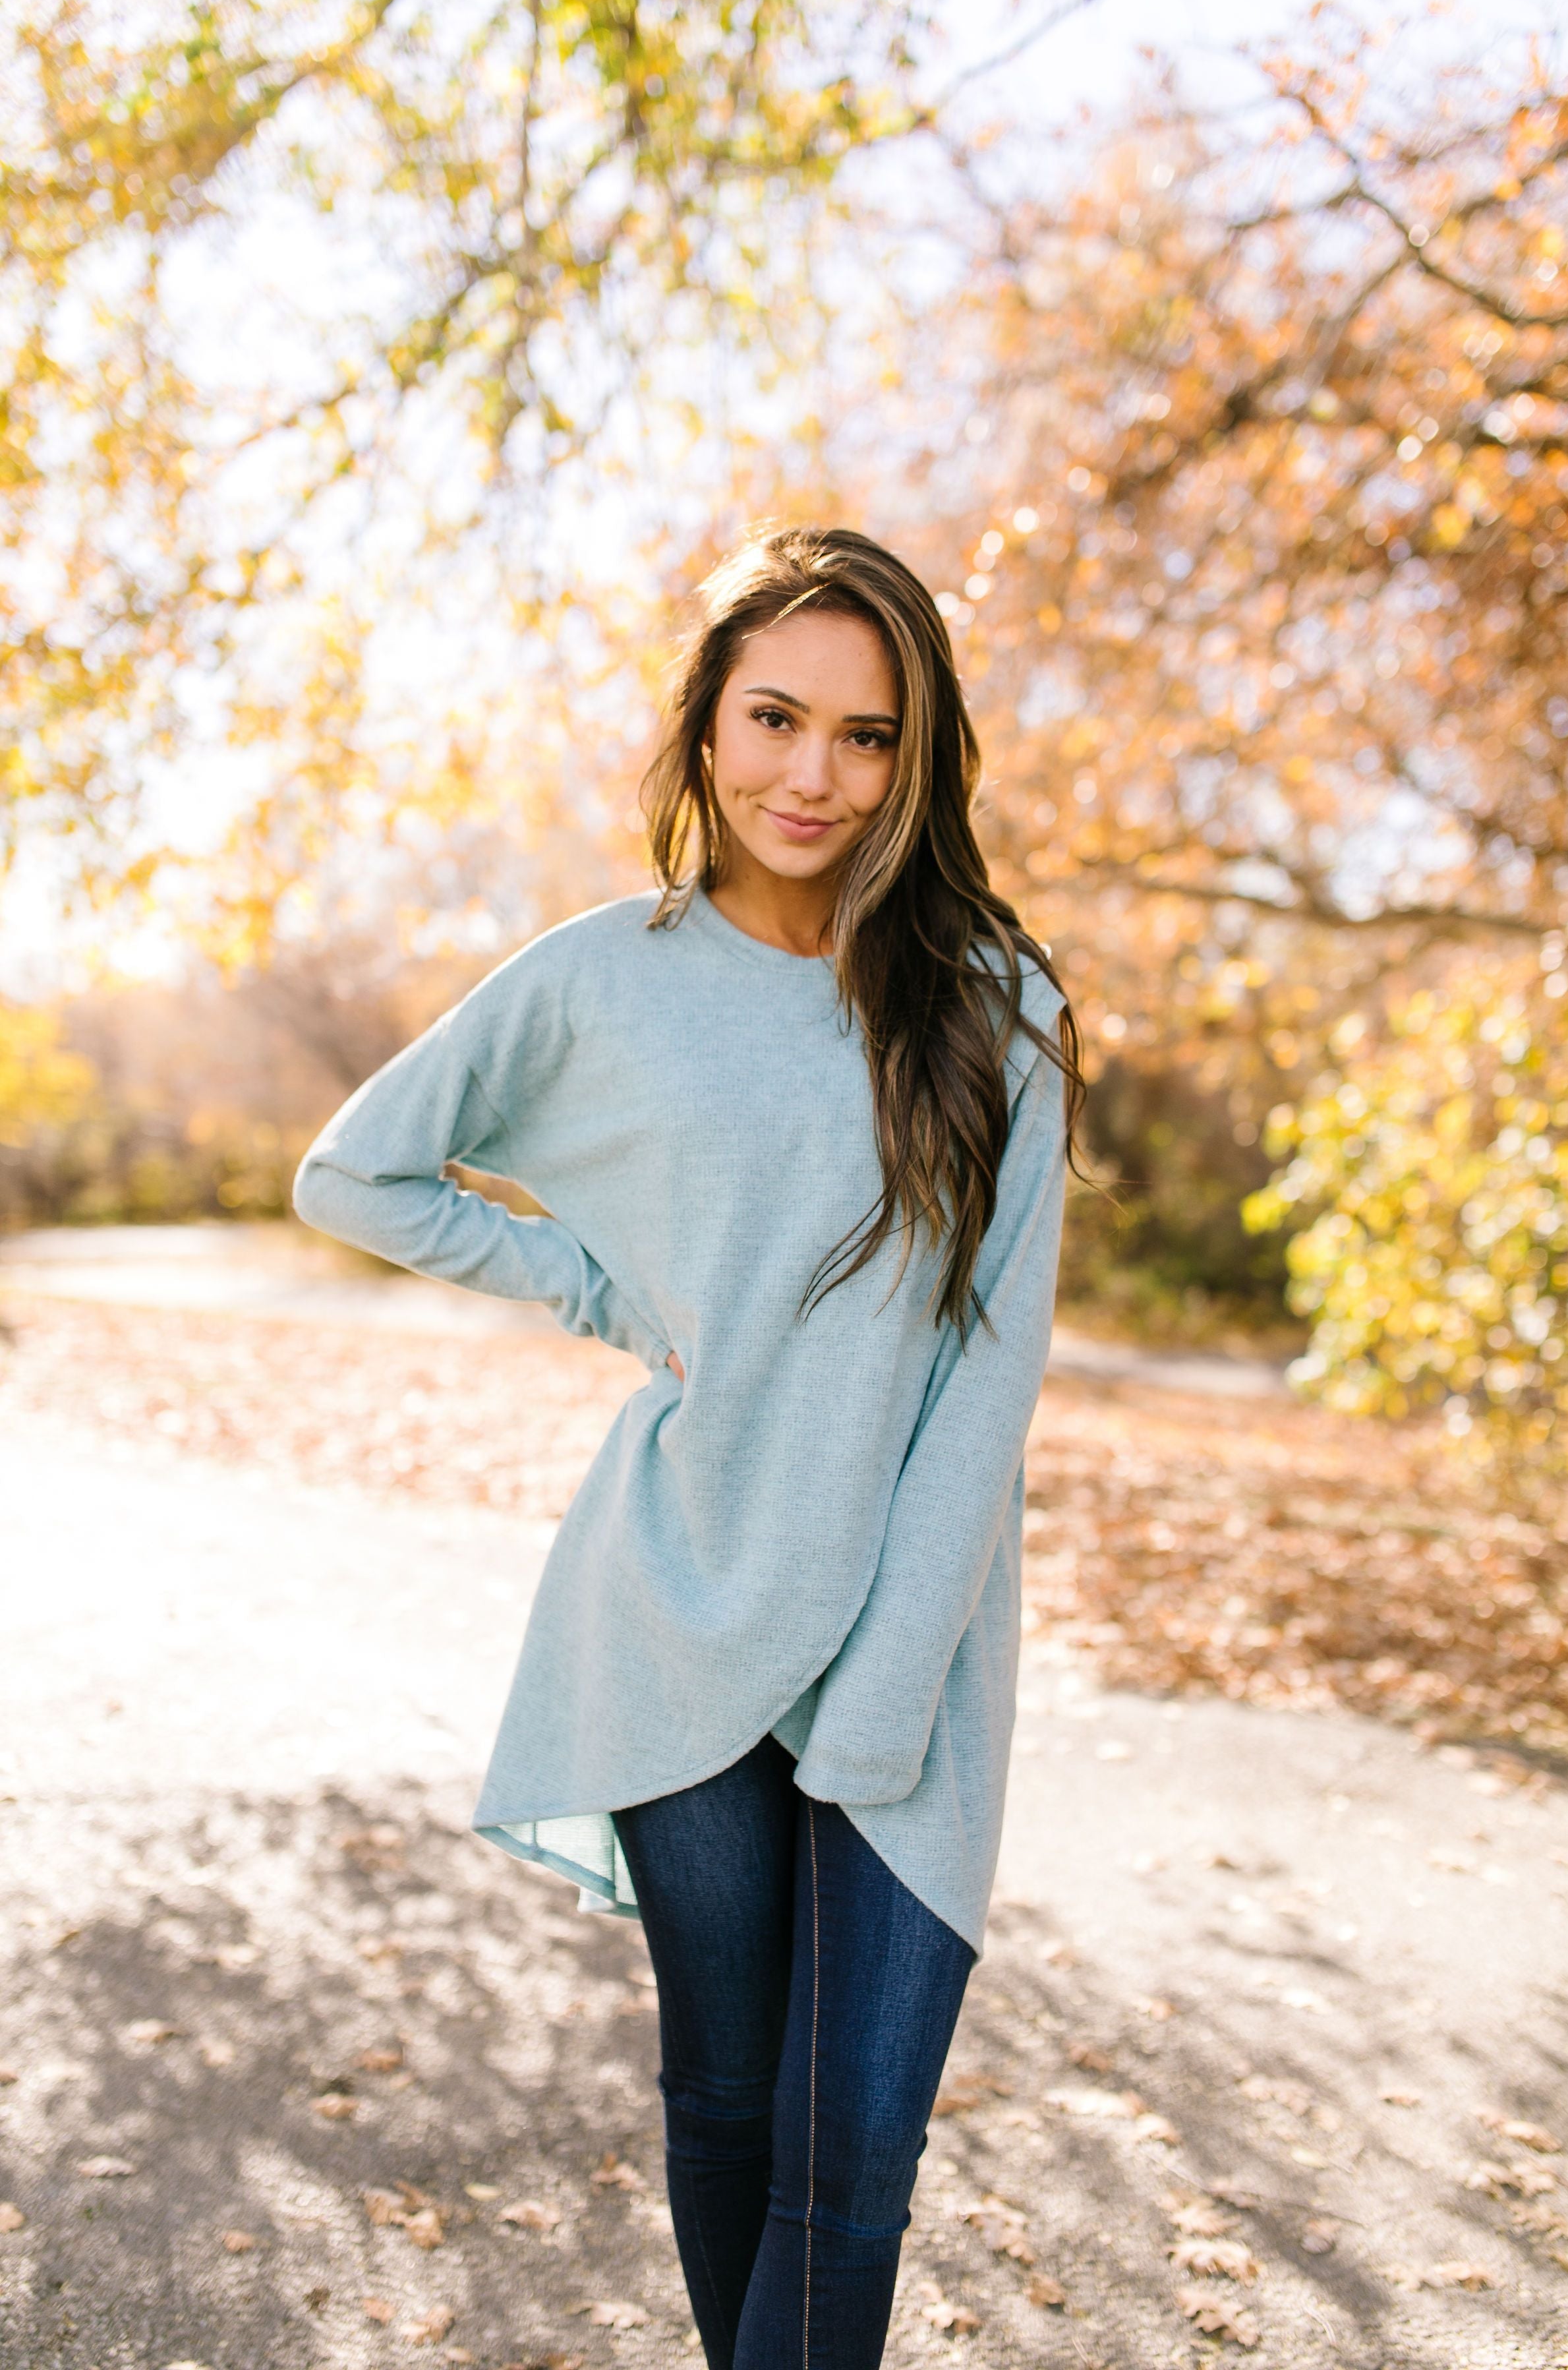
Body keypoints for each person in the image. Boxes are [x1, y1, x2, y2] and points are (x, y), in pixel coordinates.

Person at [293, 523, 1085, 2370]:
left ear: (921, 758)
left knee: (853, 2171)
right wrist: (590, 1285)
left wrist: (888, 1687)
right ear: (709, 728)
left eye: (868, 736)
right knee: (729, 2113)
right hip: (675, 1613)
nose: (814, 774)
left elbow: (993, 1369)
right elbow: (356, 1173)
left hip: (916, 1661)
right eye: (776, 719)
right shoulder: (604, 976)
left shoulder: (1001, 1005)